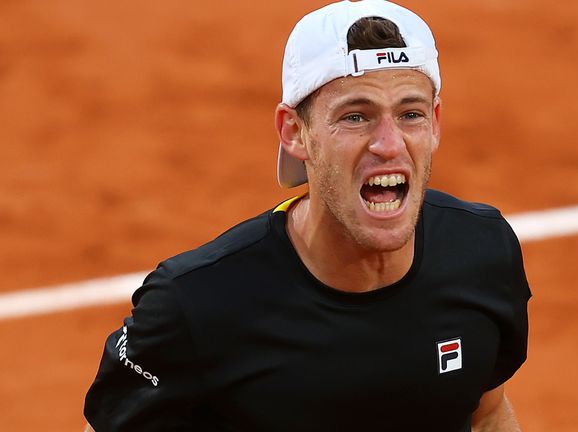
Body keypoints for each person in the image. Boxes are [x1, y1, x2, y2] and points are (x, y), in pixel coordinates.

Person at [83, 1, 531, 431]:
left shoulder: (482, 251)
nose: (390, 144)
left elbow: (486, 415)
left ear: (434, 123)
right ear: (295, 132)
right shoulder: (195, 306)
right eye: (356, 117)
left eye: (410, 114)